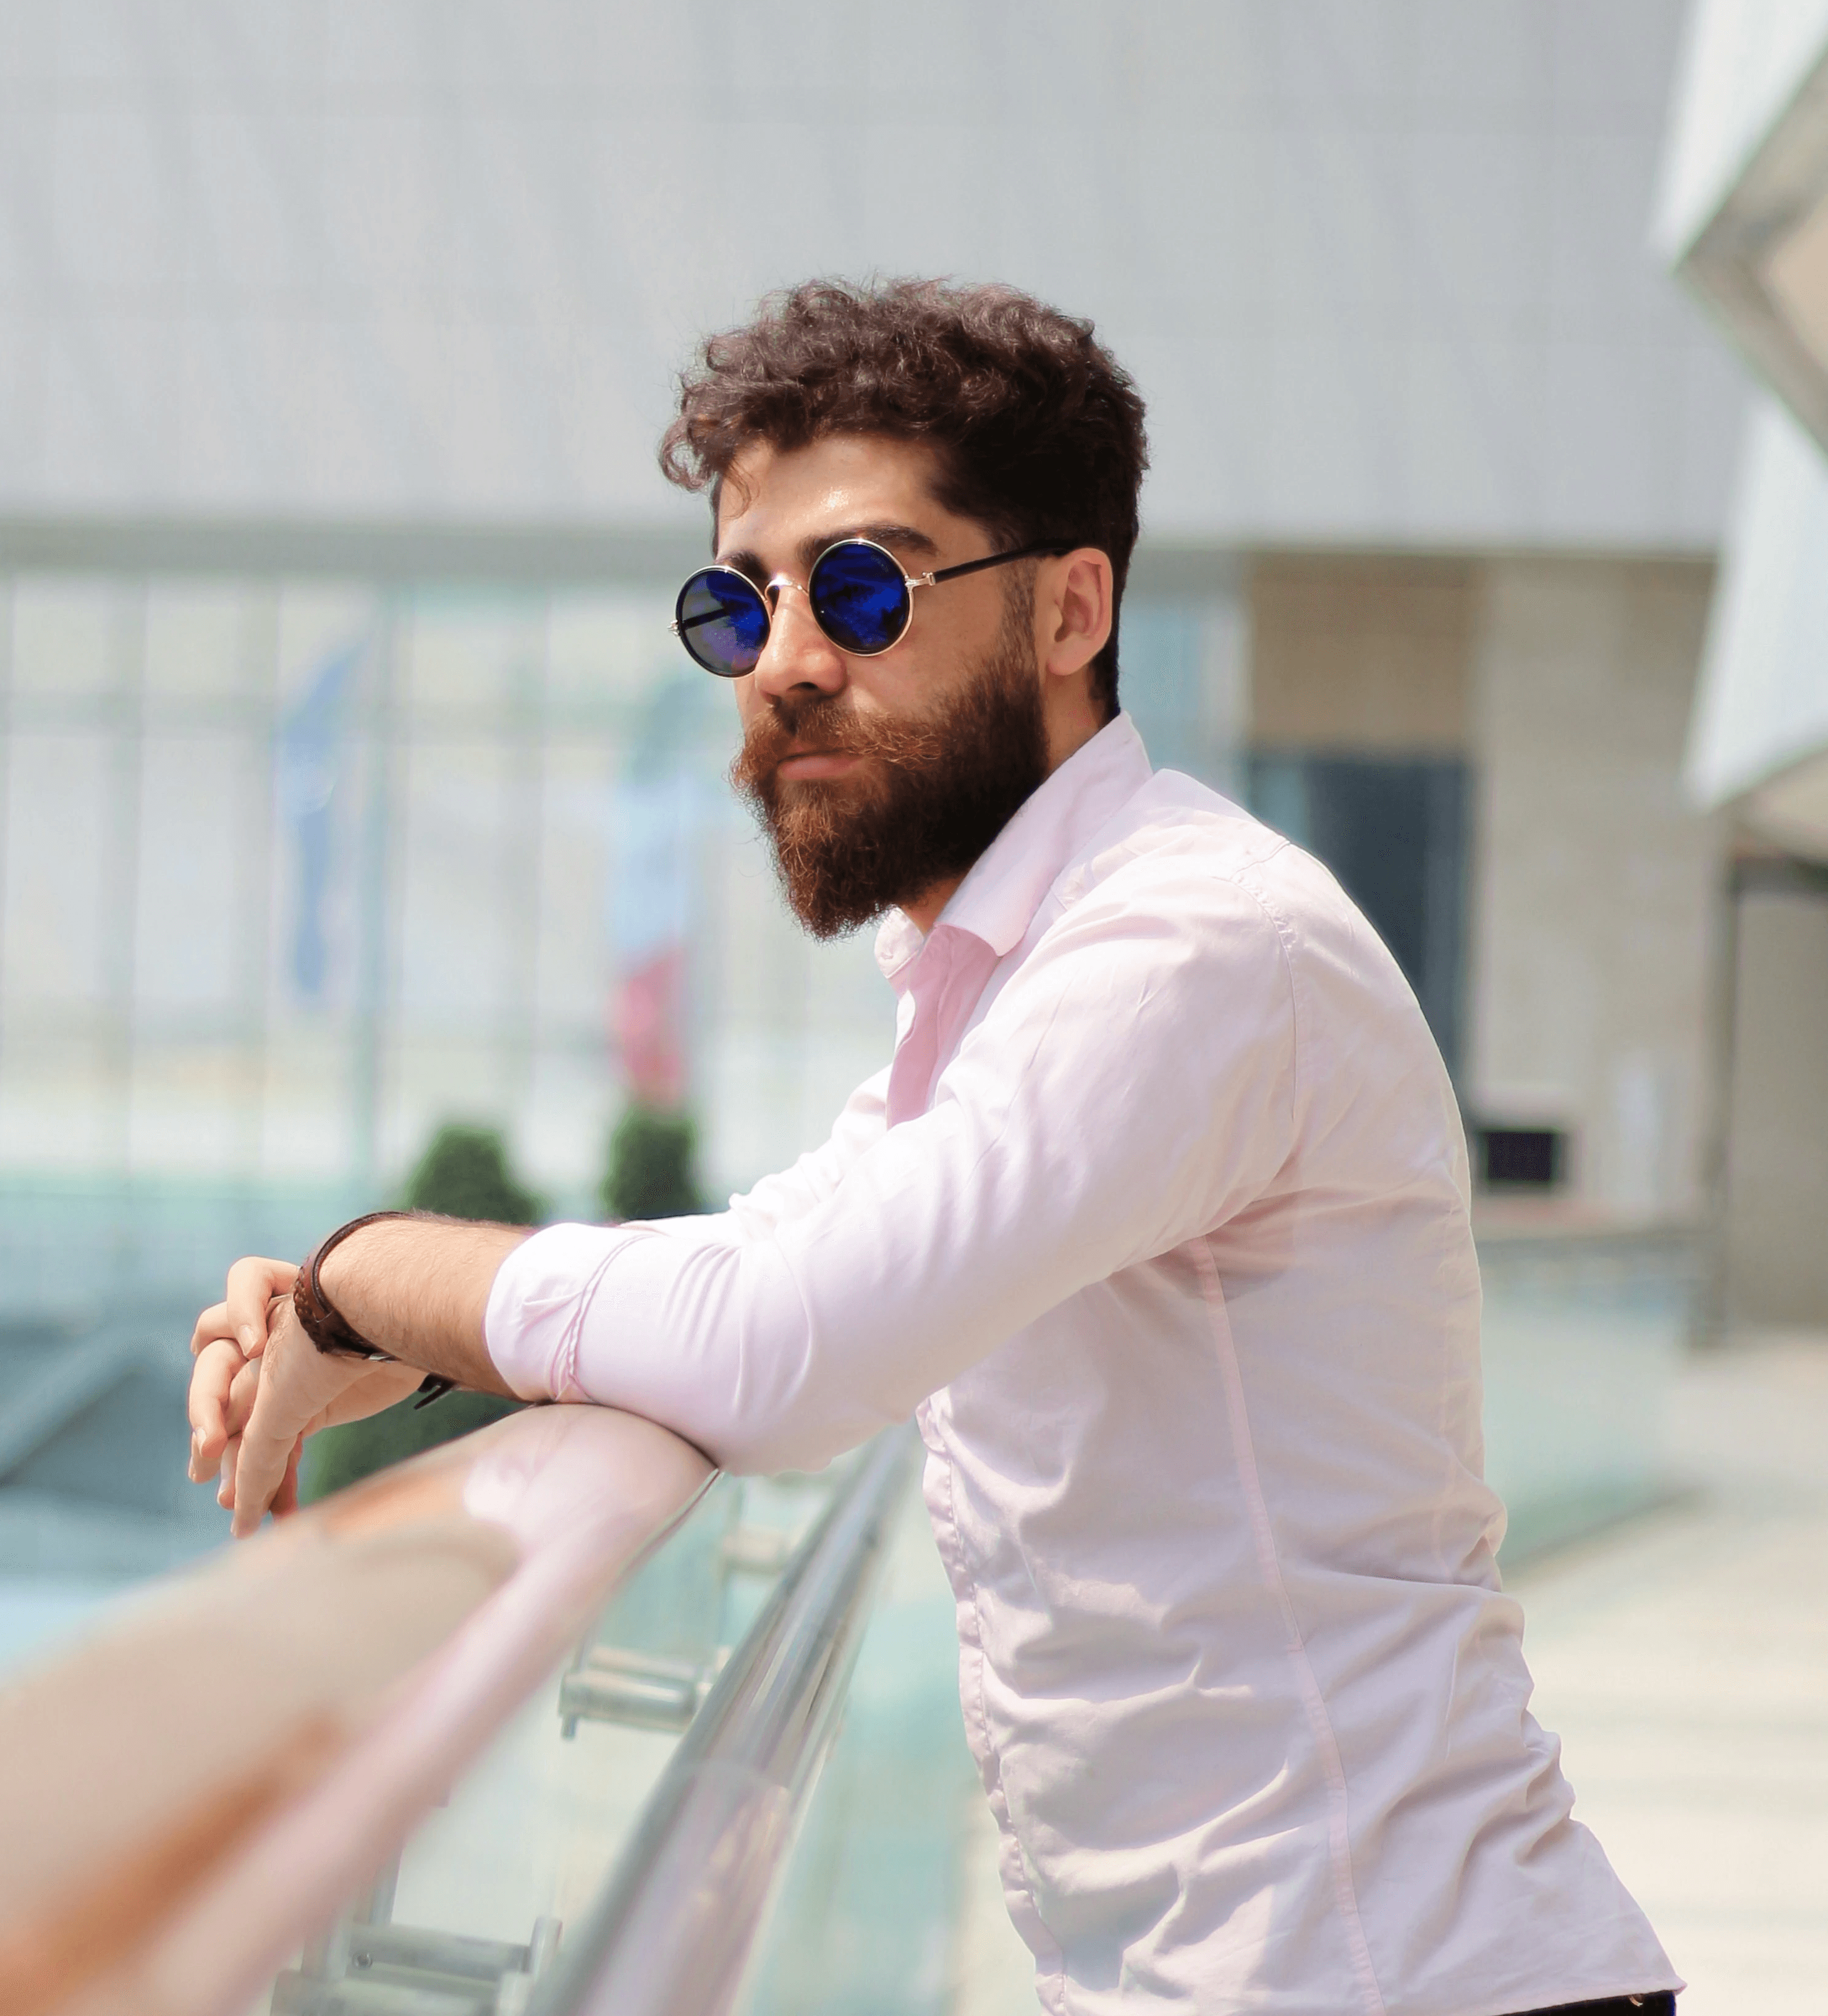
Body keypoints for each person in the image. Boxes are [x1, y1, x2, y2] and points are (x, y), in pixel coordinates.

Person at [188, 280, 1679, 2016]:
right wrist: (388, 1331)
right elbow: (764, 1262)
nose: (792, 660)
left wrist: (371, 1272)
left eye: (866, 588)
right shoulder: (993, 988)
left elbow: (783, 1344)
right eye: (736, 606)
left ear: (1071, 608)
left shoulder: (1193, 946)